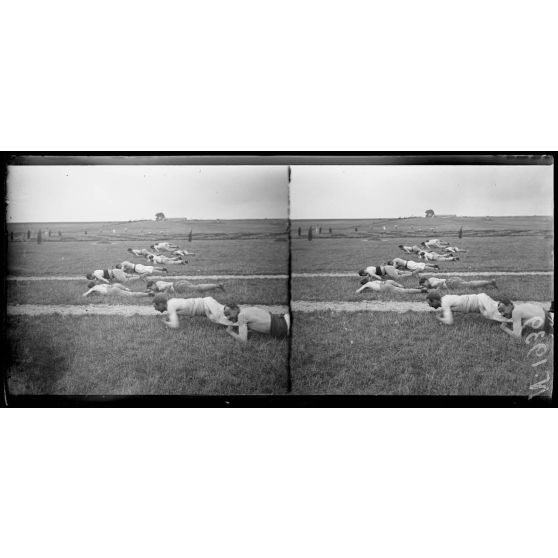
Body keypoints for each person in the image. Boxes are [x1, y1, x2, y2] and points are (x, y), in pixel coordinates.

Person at [426, 291, 510, 325]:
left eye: (430, 303)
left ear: (435, 300)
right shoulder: (445, 298)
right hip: (480, 299)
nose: (430, 306)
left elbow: (450, 321)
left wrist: (439, 318)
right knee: (498, 312)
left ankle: (517, 319)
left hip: (481, 301)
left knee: (495, 315)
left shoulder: (444, 303)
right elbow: (450, 312)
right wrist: (443, 317)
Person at [152, 294, 233, 328]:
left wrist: (165, 323)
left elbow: (175, 325)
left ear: (160, 304)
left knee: (222, 318)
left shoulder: (170, 306)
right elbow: (180, 313)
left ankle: (242, 323)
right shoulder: (171, 302)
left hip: (207, 304)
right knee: (224, 315)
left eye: (156, 307)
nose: (156, 310)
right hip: (207, 303)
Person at [223, 303, 290, 342]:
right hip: (284, 318)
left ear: (235, 309)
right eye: (226, 316)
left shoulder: (241, 316)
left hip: (284, 326)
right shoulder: (246, 310)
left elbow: (243, 341)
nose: (228, 318)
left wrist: (230, 332)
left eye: (228, 314)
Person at [146, 280, 226, 294]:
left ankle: (217, 285)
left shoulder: (159, 287)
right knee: (198, 288)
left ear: (153, 285)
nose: (151, 289)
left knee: (198, 288)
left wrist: (164, 294)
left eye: (151, 288)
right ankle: (215, 288)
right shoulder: (158, 282)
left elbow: (168, 286)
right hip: (180, 283)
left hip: (179, 287)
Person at [356, 278, 427, 295]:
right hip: (386, 283)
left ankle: (421, 290)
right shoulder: (372, 281)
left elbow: (357, 291)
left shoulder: (367, 284)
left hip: (384, 287)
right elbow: (382, 281)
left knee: (405, 291)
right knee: (403, 289)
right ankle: (417, 288)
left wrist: (361, 290)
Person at [419, 276, 498, 290]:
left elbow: (440, 283)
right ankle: (490, 286)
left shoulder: (431, 282)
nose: (424, 286)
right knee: (471, 286)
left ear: (426, 281)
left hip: (451, 283)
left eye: (423, 284)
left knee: (470, 285)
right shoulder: (431, 279)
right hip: (452, 280)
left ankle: (490, 282)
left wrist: (437, 290)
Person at [82, 282, 150, 297]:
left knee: (132, 295)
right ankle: (127, 289)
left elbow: (85, 294)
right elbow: (110, 285)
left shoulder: (93, 288)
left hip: (112, 291)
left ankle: (147, 294)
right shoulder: (100, 285)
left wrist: (88, 293)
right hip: (113, 287)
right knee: (130, 292)